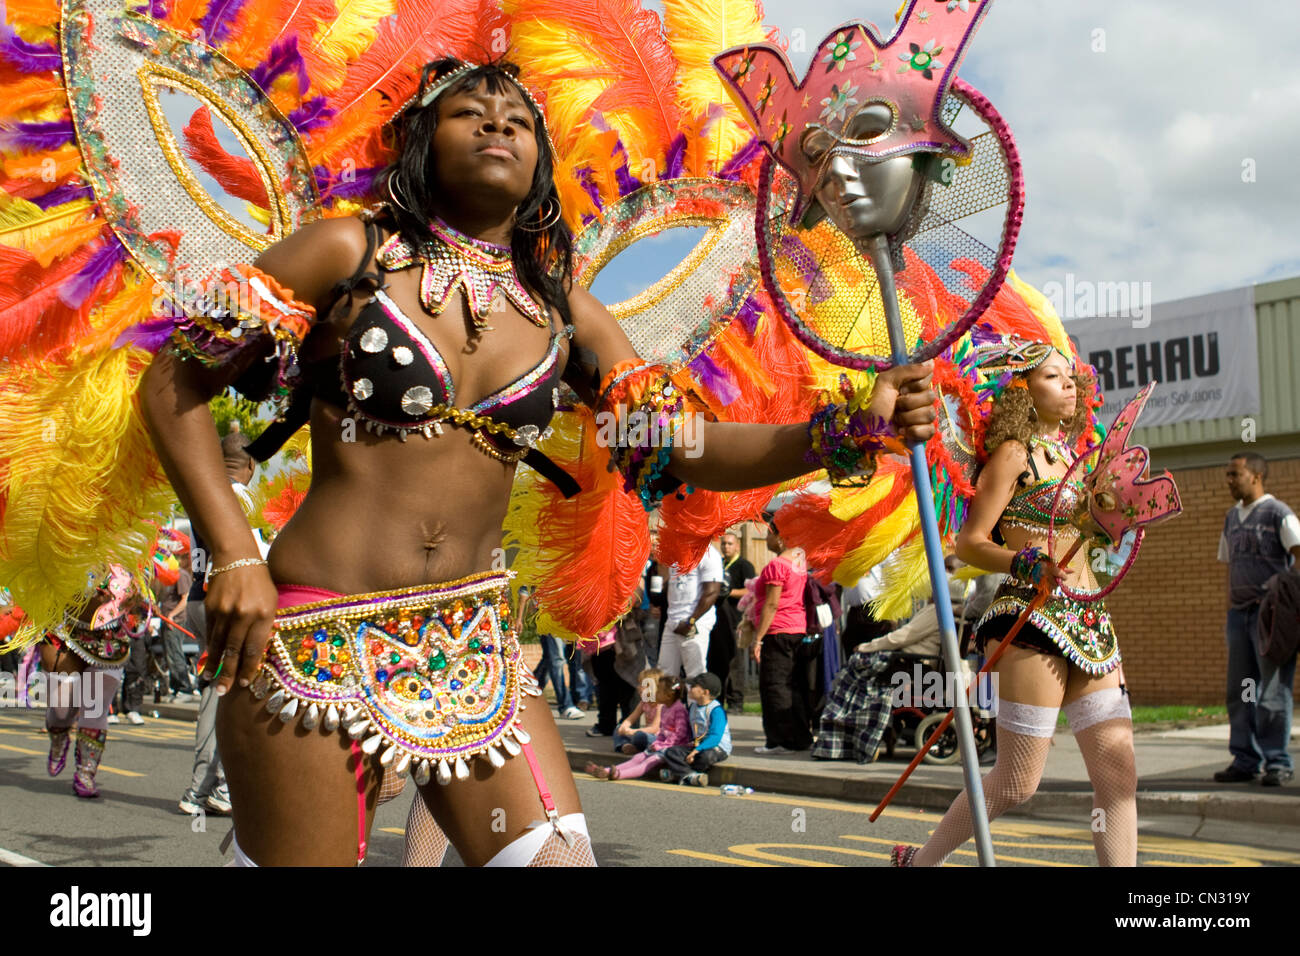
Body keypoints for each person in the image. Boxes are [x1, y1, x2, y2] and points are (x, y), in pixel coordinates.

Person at [139, 57, 937, 866]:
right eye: (470, 114)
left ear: (539, 164)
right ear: (420, 139)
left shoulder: (565, 314)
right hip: (316, 632)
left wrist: (844, 429)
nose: (497, 128)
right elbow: (172, 381)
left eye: (518, 122)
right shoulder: (349, 252)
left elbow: (686, 449)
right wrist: (234, 552)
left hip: (473, 640)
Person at [893, 338, 1138, 867]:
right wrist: (1023, 562)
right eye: (1053, 376)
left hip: (1090, 619)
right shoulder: (1013, 455)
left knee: (1118, 777)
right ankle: (921, 863)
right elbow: (970, 541)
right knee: (1017, 781)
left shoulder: (1076, 458)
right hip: (1031, 618)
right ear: (1023, 391)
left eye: (1071, 375)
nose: (1069, 383)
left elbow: (1092, 542)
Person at [178, 433, 264, 816]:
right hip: (231, 599)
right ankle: (223, 788)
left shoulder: (202, 492)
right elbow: (260, 556)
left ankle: (199, 790)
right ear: (250, 465)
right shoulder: (245, 498)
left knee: (216, 691)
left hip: (200, 597)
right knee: (242, 687)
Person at [1214, 453, 1300, 786]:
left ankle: (1277, 762)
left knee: (1272, 693)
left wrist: (1284, 597)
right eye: (1228, 474)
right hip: (1239, 617)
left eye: (1235, 474)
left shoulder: (1278, 513)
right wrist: (1230, 611)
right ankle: (1246, 759)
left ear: (1256, 476)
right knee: (1241, 691)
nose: (1229, 480)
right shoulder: (1231, 519)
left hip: (1271, 619)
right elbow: (1229, 566)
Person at [39, 566, 147, 798]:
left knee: (95, 707)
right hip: (64, 630)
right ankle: (58, 736)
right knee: (60, 708)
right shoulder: (65, 539)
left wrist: (138, 599)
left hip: (108, 637)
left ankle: (85, 772)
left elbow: (140, 600)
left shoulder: (126, 550)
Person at [751, 513, 812, 754]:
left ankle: (781, 740)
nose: (765, 538)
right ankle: (799, 737)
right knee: (791, 685)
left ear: (779, 537)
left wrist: (757, 638)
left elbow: (771, 604)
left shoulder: (777, 566)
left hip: (778, 629)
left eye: (768, 533)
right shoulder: (799, 563)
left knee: (775, 686)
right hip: (796, 627)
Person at [585, 675, 688, 781]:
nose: (656, 693)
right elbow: (662, 731)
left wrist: (661, 745)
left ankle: (619, 774)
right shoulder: (666, 708)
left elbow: (679, 735)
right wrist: (657, 743)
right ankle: (605, 771)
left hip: (672, 748)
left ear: (668, 695)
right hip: (661, 745)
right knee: (638, 758)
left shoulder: (679, 710)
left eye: (659, 691)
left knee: (648, 762)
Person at [660, 543, 723, 680]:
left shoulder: (708, 553)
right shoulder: (676, 551)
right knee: (664, 675)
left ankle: (696, 702)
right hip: (672, 621)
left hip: (694, 623)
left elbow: (712, 592)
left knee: (695, 676)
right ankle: (665, 702)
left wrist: (691, 621)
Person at [709, 532, 755, 713]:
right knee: (716, 661)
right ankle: (717, 699)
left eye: (729, 544)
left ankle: (736, 701)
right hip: (716, 621)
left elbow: (751, 590)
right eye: (723, 544)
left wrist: (729, 592)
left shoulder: (744, 566)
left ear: (737, 546)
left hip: (736, 620)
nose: (726, 547)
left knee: (735, 662)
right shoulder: (718, 564)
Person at [659, 673, 732, 786]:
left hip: (717, 747)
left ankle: (679, 773)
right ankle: (690, 775)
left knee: (705, 757)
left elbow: (715, 736)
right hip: (697, 745)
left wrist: (696, 750)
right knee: (671, 752)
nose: (690, 688)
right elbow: (689, 728)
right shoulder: (693, 706)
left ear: (705, 692)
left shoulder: (716, 710)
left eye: (693, 686)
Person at [612, 666, 664, 754]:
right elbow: (631, 718)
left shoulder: (661, 705)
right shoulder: (644, 702)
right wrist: (624, 727)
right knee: (617, 728)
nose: (638, 687)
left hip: (658, 737)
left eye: (642, 685)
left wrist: (632, 731)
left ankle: (638, 747)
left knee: (640, 737)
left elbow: (654, 729)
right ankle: (625, 746)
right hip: (645, 732)